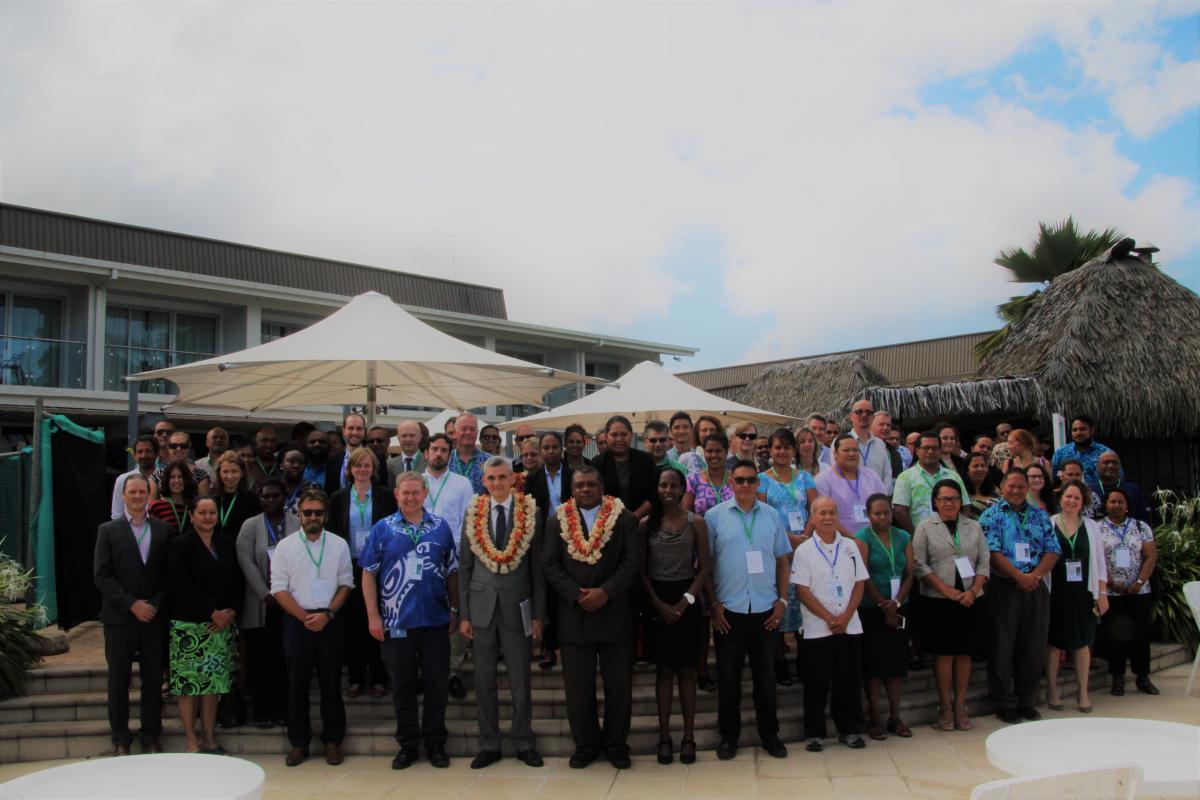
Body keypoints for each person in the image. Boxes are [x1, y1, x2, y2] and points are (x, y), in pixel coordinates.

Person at [541, 465, 642, 770]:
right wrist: (576, 594)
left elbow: (632, 560)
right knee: (578, 688)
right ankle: (585, 745)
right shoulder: (556, 520)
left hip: (615, 614)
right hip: (574, 617)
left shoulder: (623, 518)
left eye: (591, 485)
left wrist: (605, 592)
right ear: (571, 490)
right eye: (580, 485)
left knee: (619, 687)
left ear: (602, 487)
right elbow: (549, 564)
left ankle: (616, 745)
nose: (586, 490)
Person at [362, 471, 460, 770]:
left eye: (416, 492)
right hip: (396, 623)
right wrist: (373, 615)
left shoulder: (440, 527)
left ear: (425, 493)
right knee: (403, 686)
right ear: (396, 494)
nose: (410, 498)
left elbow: (453, 570)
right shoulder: (383, 528)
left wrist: (456, 610)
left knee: (436, 686)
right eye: (405, 493)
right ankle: (407, 745)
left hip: (434, 620)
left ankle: (435, 742)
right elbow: (368, 572)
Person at [458, 457, 546, 769]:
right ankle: (488, 743)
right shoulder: (473, 513)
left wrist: (538, 613)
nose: (497, 483)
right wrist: (464, 614)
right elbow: (465, 567)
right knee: (483, 680)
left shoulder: (531, 512)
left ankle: (523, 741)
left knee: (520, 679)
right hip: (481, 610)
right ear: (484, 481)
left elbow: (537, 569)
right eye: (491, 478)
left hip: (517, 607)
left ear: (513, 480)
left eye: (502, 477)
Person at [705, 460, 791, 760]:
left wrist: (782, 602)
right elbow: (706, 566)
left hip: (766, 610)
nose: (744, 485)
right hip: (729, 611)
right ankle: (729, 737)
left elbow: (782, 560)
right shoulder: (714, 517)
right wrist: (713, 605)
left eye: (750, 480)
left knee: (765, 678)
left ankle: (770, 735)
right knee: (728, 679)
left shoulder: (772, 517)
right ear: (731, 482)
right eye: (739, 480)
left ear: (758, 483)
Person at [266, 488, 354, 766]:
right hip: (297, 621)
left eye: (318, 512)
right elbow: (278, 588)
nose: (313, 517)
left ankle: (332, 741)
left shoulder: (339, 544)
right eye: (307, 512)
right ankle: (299, 743)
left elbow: (346, 583)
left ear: (325, 515)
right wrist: (304, 616)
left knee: (331, 683)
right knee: (296, 684)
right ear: (299, 514)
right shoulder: (285, 546)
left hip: (329, 620)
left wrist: (327, 614)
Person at [94, 474, 171, 755]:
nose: (138, 496)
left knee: (152, 680)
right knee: (118, 680)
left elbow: (168, 575)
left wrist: (153, 604)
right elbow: (101, 576)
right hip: (119, 618)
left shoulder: (163, 530)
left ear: (149, 496)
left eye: (143, 492)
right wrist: (131, 604)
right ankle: (121, 739)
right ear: (124, 496)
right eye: (133, 492)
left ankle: (150, 735)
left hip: (153, 618)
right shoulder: (108, 530)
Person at [640, 465, 711, 765]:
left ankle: (689, 736)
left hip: (687, 598)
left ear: (682, 489)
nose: (668, 491)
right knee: (664, 671)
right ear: (656, 489)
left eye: (673, 486)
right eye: (662, 486)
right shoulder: (646, 524)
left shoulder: (696, 522)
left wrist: (686, 601)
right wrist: (658, 604)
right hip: (657, 599)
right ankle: (665, 736)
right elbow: (641, 570)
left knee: (686, 671)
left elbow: (705, 566)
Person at [980, 468, 1060, 723]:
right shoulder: (990, 516)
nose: (1015, 491)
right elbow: (992, 553)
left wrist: (1034, 576)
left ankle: (1026, 700)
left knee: (1034, 648)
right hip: (1003, 588)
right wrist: (1018, 576)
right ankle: (1004, 703)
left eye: (1020, 486)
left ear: (1028, 487)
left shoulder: (1039, 515)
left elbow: (1052, 549)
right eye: (1011, 486)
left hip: (1035, 587)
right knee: (1001, 647)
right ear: (1002, 486)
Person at [791, 496, 869, 752]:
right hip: (817, 627)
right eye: (822, 513)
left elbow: (859, 583)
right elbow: (802, 590)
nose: (827, 518)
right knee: (816, 682)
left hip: (850, 625)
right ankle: (814, 733)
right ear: (812, 517)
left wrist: (845, 617)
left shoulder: (850, 546)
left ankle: (851, 729)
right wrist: (829, 618)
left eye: (832, 513)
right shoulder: (804, 550)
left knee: (848, 680)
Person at [167, 496, 243, 754]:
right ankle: (191, 740)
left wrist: (230, 611)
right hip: (189, 626)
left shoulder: (226, 544)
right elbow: (178, 586)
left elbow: (236, 580)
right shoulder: (179, 545)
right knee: (189, 686)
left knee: (212, 685)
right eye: (203, 512)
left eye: (212, 512)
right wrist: (211, 612)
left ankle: (209, 737)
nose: (208, 517)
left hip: (220, 627)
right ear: (192, 516)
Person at [912, 480, 990, 732]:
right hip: (938, 600)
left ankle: (960, 704)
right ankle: (945, 705)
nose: (949, 503)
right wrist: (945, 590)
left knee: (964, 653)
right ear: (935, 501)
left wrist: (973, 590)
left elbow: (984, 562)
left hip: (969, 599)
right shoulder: (925, 527)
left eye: (954, 498)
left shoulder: (974, 526)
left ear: (961, 501)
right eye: (944, 498)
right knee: (944, 653)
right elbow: (919, 564)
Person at [327, 448, 397, 700]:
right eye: (358, 466)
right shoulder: (338, 498)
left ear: (374, 468)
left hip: (380, 567)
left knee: (379, 621)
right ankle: (356, 677)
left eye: (367, 465)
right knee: (354, 624)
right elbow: (333, 531)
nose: (362, 470)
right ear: (351, 469)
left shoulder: (386, 496)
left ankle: (379, 676)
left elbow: (392, 527)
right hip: (351, 565)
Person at [756, 428, 818, 685]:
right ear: (770, 450)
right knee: (779, 598)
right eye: (777, 447)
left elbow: (815, 510)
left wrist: (804, 536)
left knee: (804, 598)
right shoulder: (762, 479)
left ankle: (805, 660)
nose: (781, 452)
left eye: (786, 447)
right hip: (777, 547)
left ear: (794, 450)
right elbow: (760, 513)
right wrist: (790, 540)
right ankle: (780, 660)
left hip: (805, 547)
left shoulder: (805, 478)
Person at [236, 479, 299, 729]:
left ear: (284, 496)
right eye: (265, 497)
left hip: (291, 603)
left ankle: (285, 710)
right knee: (261, 660)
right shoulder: (250, 526)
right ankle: (263, 711)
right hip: (261, 604)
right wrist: (265, 593)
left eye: (275, 496)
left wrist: (286, 594)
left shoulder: (296, 522)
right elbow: (246, 562)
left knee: (285, 660)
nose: (270, 500)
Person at [1045, 481, 1108, 714]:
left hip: (1084, 591)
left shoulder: (1092, 527)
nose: (1072, 501)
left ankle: (1083, 692)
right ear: (1061, 498)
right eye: (1068, 497)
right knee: (1054, 642)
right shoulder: (1049, 523)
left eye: (1077, 498)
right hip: (1057, 591)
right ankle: (1052, 690)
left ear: (1083, 503)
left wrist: (1102, 593)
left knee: (1083, 642)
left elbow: (1101, 563)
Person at [854, 495, 914, 740]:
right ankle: (875, 719)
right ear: (868, 515)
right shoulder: (862, 538)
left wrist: (896, 603)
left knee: (896, 664)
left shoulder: (904, 537)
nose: (883, 517)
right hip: (871, 608)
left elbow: (910, 573)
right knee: (874, 667)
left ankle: (895, 717)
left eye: (886, 512)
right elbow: (863, 574)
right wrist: (882, 603)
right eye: (877, 513)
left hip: (900, 607)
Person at [421, 432, 476, 689]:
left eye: (444, 450)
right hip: (420, 559)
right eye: (435, 449)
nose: (439, 454)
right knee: (425, 612)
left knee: (456, 609)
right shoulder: (415, 482)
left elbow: (469, 521)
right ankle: (425, 671)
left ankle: (453, 670)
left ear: (450, 453)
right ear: (426, 453)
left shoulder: (462, 483)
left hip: (454, 557)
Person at [1097, 487, 1159, 697]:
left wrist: (1139, 582)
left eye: (1120, 502)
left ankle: (1143, 677)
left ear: (1127, 505)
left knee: (1141, 635)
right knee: (1115, 636)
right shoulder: (1098, 528)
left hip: (1139, 591)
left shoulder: (1141, 527)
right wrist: (1111, 583)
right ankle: (1118, 678)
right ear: (1105, 505)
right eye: (1112, 501)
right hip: (1113, 592)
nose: (1116, 505)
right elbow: (1096, 559)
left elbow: (1150, 556)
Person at [522, 431, 573, 669]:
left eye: (554, 447)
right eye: (546, 448)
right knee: (547, 595)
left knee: (567, 592)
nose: (550, 451)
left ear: (561, 449)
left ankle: (569, 643)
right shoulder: (531, 478)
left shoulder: (573, 475)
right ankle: (549, 647)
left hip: (571, 540)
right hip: (543, 541)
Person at [892, 431, 968, 534]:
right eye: (926, 448)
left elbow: (965, 506)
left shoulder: (953, 476)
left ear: (940, 451)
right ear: (917, 450)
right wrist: (915, 536)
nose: (930, 451)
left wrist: (959, 532)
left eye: (935, 448)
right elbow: (900, 511)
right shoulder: (906, 477)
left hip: (953, 535)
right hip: (920, 536)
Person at [814, 434, 887, 536]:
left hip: (874, 538)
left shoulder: (871, 476)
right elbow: (825, 517)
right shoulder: (823, 480)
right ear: (835, 454)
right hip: (839, 540)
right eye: (846, 450)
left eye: (855, 450)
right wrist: (853, 539)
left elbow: (884, 508)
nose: (851, 453)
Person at [591, 415, 657, 520]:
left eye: (624, 434)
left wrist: (634, 517)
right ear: (607, 437)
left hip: (642, 523)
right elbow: (594, 496)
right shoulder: (597, 463)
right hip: (607, 524)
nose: (619, 439)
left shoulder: (646, 460)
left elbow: (653, 495)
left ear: (631, 435)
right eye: (614, 435)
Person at [1051, 415, 1113, 490]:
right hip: (1069, 498)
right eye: (1075, 430)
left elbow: (1117, 478)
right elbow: (1053, 478)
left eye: (1082, 429)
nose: (1078, 433)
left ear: (1092, 430)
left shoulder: (1105, 453)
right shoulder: (1060, 453)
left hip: (1097, 498)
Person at [684, 433, 736, 516]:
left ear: (726, 452)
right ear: (704, 453)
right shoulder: (692, 480)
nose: (714, 455)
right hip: (702, 528)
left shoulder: (737, 479)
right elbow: (686, 513)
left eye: (718, 451)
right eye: (709, 451)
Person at [150, 431, 212, 499]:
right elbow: (151, 505)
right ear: (168, 448)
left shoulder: (201, 475)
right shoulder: (157, 475)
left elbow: (204, 504)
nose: (178, 449)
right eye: (174, 446)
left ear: (189, 447)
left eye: (183, 446)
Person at [848, 400, 894, 491]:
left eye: (868, 412)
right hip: (851, 501)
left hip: (877, 500)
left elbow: (887, 477)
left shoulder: (880, 444)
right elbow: (837, 476)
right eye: (859, 412)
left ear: (873, 417)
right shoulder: (840, 442)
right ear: (851, 416)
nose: (864, 415)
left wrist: (881, 498)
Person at [212, 452, 258, 540]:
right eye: (225, 472)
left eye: (234, 471)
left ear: (242, 473)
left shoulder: (252, 500)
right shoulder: (212, 498)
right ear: (219, 473)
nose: (230, 476)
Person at [1095, 451, 1150, 524]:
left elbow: (1142, 519)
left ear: (1120, 466)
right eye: (1106, 462)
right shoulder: (1089, 490)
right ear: (1097, 466)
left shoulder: (1133, 490)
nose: (1110, 465)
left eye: (1114, 463)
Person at [112, 435, 159, 519]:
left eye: (148, 451)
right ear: (135, 455)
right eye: (140, 452)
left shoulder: (165, 478)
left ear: (156, 454)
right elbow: (117, 514)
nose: (144, 455)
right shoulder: (122, 480)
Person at [148, 461, 198, 536]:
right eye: (172, 477)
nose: (176, 480)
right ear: (167, 481)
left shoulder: (193, 507)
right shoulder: (156, 507)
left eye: (180, 477)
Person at [323, 413, 367, 493]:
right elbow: (328, 491)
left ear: (364, 431)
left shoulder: (377, 459)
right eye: (350, 428)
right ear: (343, 431)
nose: (354, 432)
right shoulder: (332, 460)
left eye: (359, 429)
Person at [449, 412, 489, 495]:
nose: (468, 432)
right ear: (456, 432)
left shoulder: (489, 461)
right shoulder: (446, 460)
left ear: (477, 433)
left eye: (472, 429)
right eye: (464, 429)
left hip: (480, 507)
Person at [387, 420, 426, 486]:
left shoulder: (430, 462)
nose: (408, 439)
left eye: (412, 435)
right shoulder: (389, 465)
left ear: (420, 437)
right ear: (398, 438)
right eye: (404, 436)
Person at [871, 411, 904, 486]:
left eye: (888, 425)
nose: (886, 428)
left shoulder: (894, 452)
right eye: (881, 424)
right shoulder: (862, 448)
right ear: (871, 426)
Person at [963, 452, 1000, 519]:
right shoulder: (962, 491)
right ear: (967, 470)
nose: (980, 469)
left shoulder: (995, 490)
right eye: (975, 466)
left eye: (983, 465)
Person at [278, 448, 312, 515]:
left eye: (301, 462)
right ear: (281, 465)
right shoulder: (273, 487)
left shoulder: (313, 489)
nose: (296, 465)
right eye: (291, 461)